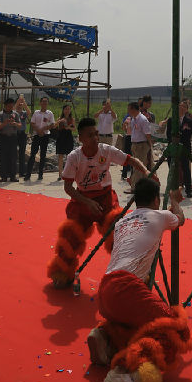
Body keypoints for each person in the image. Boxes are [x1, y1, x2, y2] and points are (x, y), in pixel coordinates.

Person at [88, 178, 192, 382]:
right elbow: (180, 219)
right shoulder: (160, 216)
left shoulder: (121, 222)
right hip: (126, 288)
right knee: (177, 330)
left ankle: (106, 337)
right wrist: (175, 200)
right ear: (156, 199)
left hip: (105, 290)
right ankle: (128, 372)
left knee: (138, 322)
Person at [47, 117, 150, 289]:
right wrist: (87, 202)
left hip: (106, 199)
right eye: (90, 135)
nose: (95, 138)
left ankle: (133, 274)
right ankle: (62, 272)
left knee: (119, 232)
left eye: (96, 134)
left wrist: (147, 172)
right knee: (70, 236)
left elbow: (131, 160)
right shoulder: (74, 157)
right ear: (81, 138)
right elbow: (68, 187)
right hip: (82, 201)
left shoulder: (106, 150)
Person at [160, 98, 192, 197]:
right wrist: (174, 141)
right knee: (172, 168)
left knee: (186, 169)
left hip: (184, 147)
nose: (182, 108)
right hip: (173, 147)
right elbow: (169, 134)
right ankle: (172, 188)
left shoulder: (189, 121)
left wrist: (179, 138)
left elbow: (188, 135)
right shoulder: (171, 120)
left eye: (184, 107)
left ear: (187, 109)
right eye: (180, 106)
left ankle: (188, 190)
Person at [24, 96, 55, 182]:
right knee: (32, 154)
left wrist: (44, 129)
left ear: (47, 103)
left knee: (43, 155)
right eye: (43, 101)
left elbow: (52, 124)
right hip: (37, 135)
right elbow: (32, 123)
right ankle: (28, 174)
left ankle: (40, 174)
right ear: (40, 103)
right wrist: (38, 130)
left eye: (46, 102)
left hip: (45, 135)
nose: (44, 103)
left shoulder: (50, 113)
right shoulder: (36, 113)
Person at [129, 101, 153, 192]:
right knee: (137, 166)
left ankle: (135, 187)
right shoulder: (133, 119)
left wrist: (150, 145)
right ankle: (142, 186)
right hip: (135, 145)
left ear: (133, 109)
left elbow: (147, 134)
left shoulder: (143, 119)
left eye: (129, 109)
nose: (128, 111)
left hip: (141, 145)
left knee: (139, 167)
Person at [0, 98, 20, 182]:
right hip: (4, 137)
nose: (10, 108)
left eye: (12, 106)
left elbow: (20, 125)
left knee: (13, 157)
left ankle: (13, 176)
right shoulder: (0, 114)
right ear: (5, 106)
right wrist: (4, 123)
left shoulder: (15, 114)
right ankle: (4, 176)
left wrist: (15, 123)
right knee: (3, 157)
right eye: (9, 106)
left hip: (13, 137)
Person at [56, 104, 76, 180]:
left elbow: (74, 129)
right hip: (61, 137)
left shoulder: (72, 119)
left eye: (69, 109)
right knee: (60, 156)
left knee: (69, 156)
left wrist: (69, 127)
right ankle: (60, 174)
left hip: (68, 137)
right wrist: (59, 121)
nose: (67, 111)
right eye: (66, 109)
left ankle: (68, 173)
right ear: (63, 110)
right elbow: (54, 126)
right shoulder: (60, 118)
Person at [14, 94, 31, 176]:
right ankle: (12, 171)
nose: (20, 104)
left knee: (22, 153)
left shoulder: (23, 113)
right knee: (13, 152)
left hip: (22, 134)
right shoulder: (14, 113)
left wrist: (24, 103)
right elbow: (13, 110)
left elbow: (29, 112)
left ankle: (22, 172)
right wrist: (17, 102)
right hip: (15, 133)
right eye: (19, 103)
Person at [121, 104, 133, 181]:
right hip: (129, 138)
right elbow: (124, 126)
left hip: (132, 138)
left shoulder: (133, 118)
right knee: (127, 156)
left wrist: (126, 129)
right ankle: (125, 173)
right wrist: (126, 129)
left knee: (131, 156)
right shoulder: (129, 118)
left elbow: (124, 126)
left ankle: (130, 174)